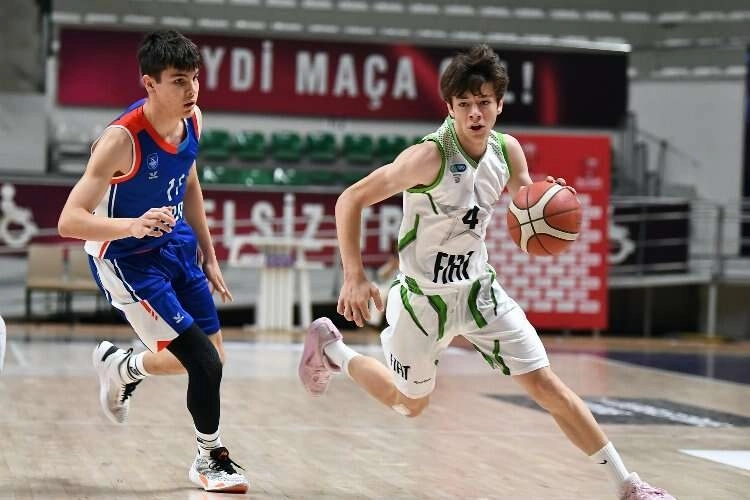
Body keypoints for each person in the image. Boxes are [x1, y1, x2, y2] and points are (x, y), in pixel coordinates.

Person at [299, 44, 674, 500]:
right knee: (409, 405)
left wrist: (545, 200)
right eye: (464, 104)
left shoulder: (507, 150)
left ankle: (628, 484)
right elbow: (350, 199)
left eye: (483, 102)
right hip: (423, 300)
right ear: (450, 107)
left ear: (499, 104)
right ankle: (334, 351)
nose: (474, 113)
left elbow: (524, 203)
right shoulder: (428, 157)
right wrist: (354, 275)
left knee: (545, 384)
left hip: (479, 291)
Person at [57, 30, 248, 494]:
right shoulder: (121, 141)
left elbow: (190, 182)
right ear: (150, 83)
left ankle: (123, 367)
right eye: (179, 81)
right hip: (127, 260)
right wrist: (132, 226)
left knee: (214, 358)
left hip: (175, 244)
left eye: (195, 78)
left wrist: (209, 252)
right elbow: (69, 220)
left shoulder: (192, 119)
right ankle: (209, 458)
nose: (191, 90)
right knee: (204, 362)